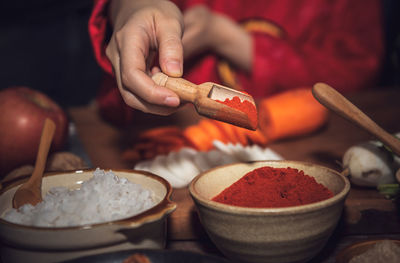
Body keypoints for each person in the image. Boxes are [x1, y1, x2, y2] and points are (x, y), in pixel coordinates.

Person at [89, 0, 384, 127]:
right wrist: (134, 7)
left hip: (294, 128)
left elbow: (356, 68)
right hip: (153, 124)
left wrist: (226, 37)